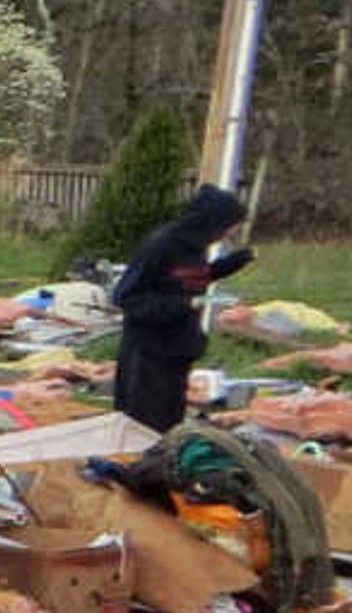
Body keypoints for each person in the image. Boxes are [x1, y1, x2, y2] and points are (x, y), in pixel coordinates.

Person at [109, 185, 254, 432]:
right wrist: (184, 304)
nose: (230, 233)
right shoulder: (161, 245)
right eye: (229, 226)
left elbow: (187, 279)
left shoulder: (196, 248)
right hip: (149, 352)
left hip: (178, 348)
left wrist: (227, 266)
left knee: (170, 422)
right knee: (143, 425)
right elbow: (127, 297)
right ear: (212, 221)